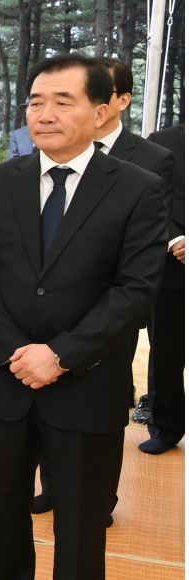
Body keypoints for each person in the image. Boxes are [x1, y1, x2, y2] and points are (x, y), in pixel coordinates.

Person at [0, 54, 167, 580]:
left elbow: (135, 288)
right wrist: (16, 352)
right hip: (5, 376)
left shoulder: (136, 187)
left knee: (78, 513)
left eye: (63, 101)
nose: (44, 113)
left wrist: (63, 355)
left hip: (87, 383)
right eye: (35, 101)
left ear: (101, 112)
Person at [91, 58, 181, 457]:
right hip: (61, 293)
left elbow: (160, 209)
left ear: (123, 99)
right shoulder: (170, 140)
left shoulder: (150, 155)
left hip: (149, 272)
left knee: (163, 350)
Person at [144, 123, 185, 455]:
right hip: (174, 263)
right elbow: (152, 198)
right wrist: (176, 239)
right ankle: (166, 426)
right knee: (167, 351)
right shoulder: (164, 141)